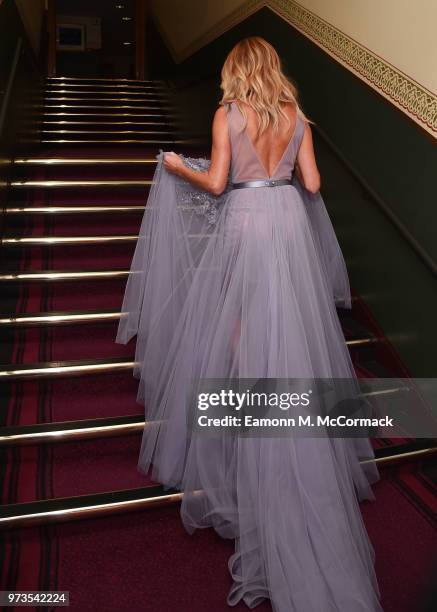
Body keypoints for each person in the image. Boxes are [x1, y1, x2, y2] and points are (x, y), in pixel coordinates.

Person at [116, 36, 383, 611]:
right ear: (275, 68)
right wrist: (282, 174)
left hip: (244, 219)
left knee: (237, 334)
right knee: (295, 334)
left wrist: (173, 165)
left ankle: (250, 434)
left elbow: (216, 183)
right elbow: (311, 186)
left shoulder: (227, 113)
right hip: (286, 221)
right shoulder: (298, 117)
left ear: (236, 70)